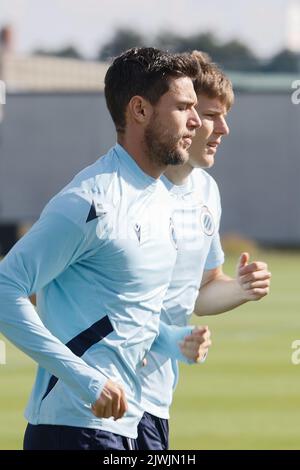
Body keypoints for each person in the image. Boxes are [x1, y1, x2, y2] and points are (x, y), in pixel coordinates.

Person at [0, 47, 208, 450]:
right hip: (72, 429)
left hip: (127, 426)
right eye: (183, 107)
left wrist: (173, 340)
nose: (196, 122)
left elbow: (120, 311)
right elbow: (6, 288)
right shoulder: (90, 200)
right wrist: (87, 380)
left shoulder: (160, 197)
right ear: (140, 111)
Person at [137, 51, 271, 450]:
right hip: (105, 396)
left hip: (157, 399)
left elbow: (203, 287)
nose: (222, 129)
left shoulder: (206, 192)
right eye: (212, 115)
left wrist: (241, 289)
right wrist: (168, 338)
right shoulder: (126, 192)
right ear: (181, 116)